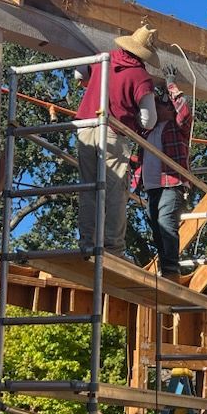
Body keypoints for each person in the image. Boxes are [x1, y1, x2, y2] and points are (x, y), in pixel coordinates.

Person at [75, 24, 159, 256]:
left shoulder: (104, 58)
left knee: (88, 187)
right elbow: (149, 120)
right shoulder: (141, 76)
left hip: (84, 128)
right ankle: (113, 248)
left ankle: (86, 243)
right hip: (113, 133)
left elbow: (79, 74)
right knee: (114, 192)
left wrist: (92, 85)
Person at [141, 77, 193, 279]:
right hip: (152, 186)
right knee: (156, 227)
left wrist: (172, 86)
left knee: (166, 223)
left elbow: (185, 114)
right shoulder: (148, 129)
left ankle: (171, 270)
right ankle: (165, 269)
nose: (156, 108)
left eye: (160, 105)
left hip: (172, 184)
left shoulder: (177, 128)